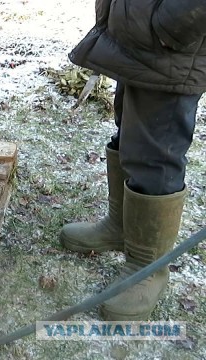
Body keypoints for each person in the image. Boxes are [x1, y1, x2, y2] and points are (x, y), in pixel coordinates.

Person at [61, 0, 206, 320]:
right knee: (129, 132)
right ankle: (121, 227)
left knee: (155, 154)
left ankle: (147, 267)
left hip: (173, 44)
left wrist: (171, 26)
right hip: (142, 36)